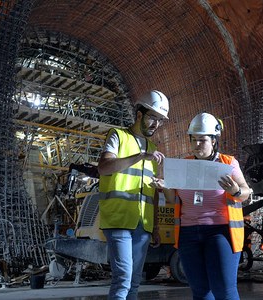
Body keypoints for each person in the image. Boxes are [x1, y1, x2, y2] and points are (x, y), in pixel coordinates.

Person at [152, 112, 250, 300]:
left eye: (202, 140)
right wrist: (165, 187)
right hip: (188, 234)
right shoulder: (184, 165)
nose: (196, 145)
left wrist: (236, 190)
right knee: (200, 291)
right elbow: (173, 200)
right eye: (193, 140)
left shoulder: (228, 163)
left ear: (214, 140)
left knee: (224, 290)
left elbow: (245, 193)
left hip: (220, 232)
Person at [98, 90, 169, 300]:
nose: (156, 124)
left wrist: (155, 226)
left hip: (143, 225)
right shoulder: (118, 136)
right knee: (123, 278)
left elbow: (152, 193)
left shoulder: (154, 149)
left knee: (135, 281)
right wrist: (139, 156)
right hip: (119, 219)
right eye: (152, 118)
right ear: (139, 114)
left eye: (160, 121)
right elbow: (104, 167)